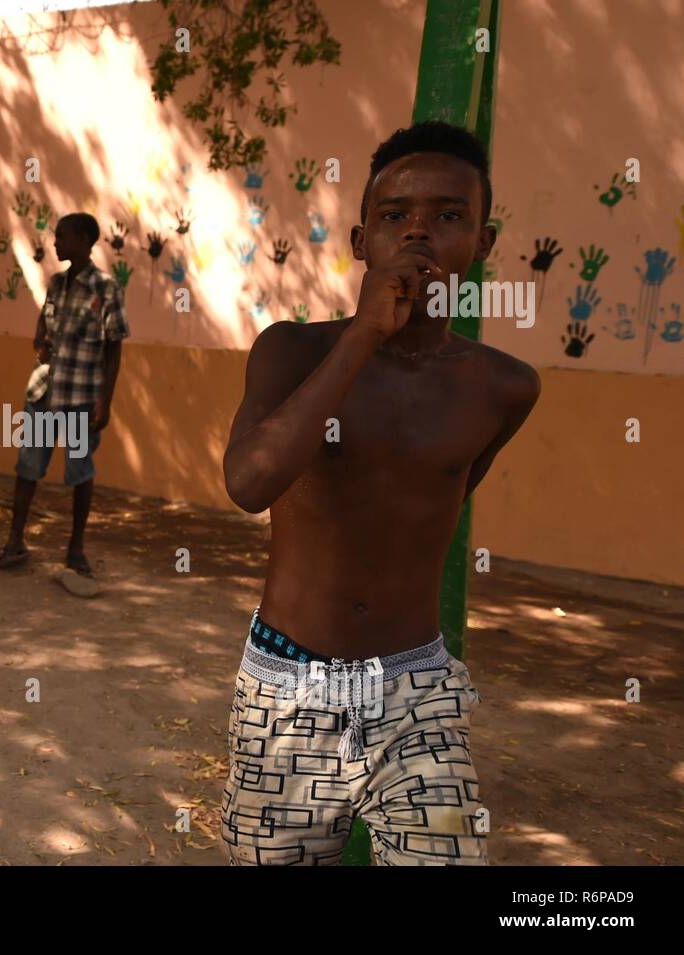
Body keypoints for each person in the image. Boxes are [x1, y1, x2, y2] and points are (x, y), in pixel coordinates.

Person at [219, 121, 540, 865]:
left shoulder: (503, 388)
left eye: (448, 216)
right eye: (395, 215)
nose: (419, 232)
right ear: (361, 242)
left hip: (416, 688)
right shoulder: (292, 351)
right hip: (285, 687)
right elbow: (248, 482)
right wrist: (365, 334)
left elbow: (441, 499)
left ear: (482, 244)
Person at [0, 213, 128, 578]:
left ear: (85, 240)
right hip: (44, 392)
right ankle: (14, 542)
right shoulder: (56, 284)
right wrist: (40, 341)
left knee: (79, 473)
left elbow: (114, 349)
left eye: (62, 237)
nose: (55, 243)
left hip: (82, 398)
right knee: (28, 468)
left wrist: (106, 399)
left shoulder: (105, 289)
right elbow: (43, 324)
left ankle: (75, 548)